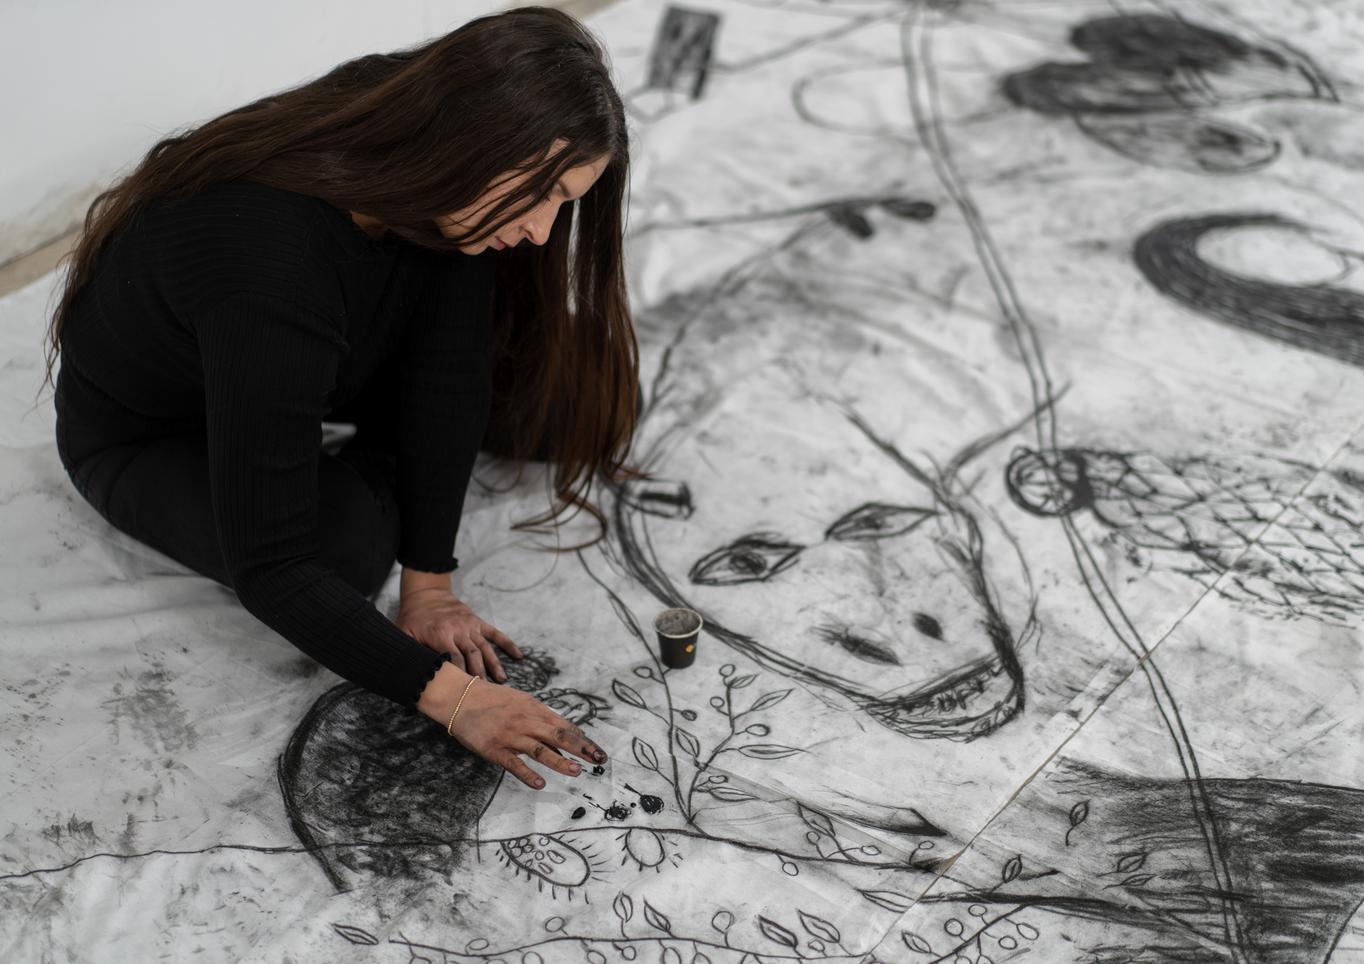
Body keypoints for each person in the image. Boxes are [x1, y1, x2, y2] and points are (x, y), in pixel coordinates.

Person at [41, 6, 642, 791]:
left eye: (565, 203)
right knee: (342, 553)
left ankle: (333, 441)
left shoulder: (426, 147)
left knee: (587, 405)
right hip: (151, 439)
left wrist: (430, 586)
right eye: (544, 194)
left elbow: (450, 366)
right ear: (479, 140)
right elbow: (273, 565)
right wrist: (458, 699)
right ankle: (332, 454)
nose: (540, 232)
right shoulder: (267, 261)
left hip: (328, 357)